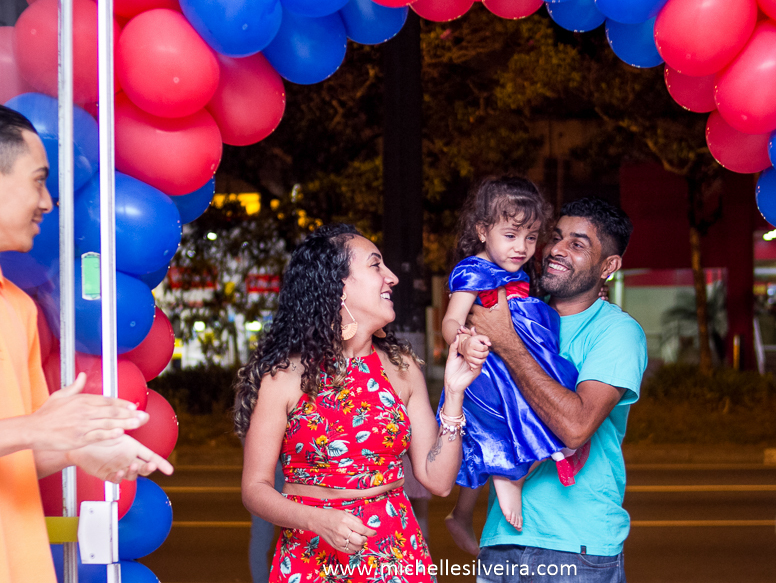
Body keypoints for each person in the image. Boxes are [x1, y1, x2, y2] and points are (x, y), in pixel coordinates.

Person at [235, 223, 481, 582]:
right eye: (376, 265)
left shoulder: (402, 368)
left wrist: (455, 393)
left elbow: (439, 481)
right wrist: (317, 519)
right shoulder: (286, 376)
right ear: (338, 286)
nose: (392, 278)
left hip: (395, 551)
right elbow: (254, 489)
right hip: (312, 557)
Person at [0, 105, 174, 583]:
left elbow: (20, 448)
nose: (49, 202)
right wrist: (36, 429)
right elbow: (24, 431)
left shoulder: (16, 307)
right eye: (38, 180)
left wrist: (76, 451)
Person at [468, 197, 647, 583]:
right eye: (556, 237)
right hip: (501, 540)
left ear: (609, 266)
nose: (556, 250)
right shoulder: (519, 313)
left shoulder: (616, 331)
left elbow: (576, 426)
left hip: (577, 548)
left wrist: (506, 342)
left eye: (578, 244)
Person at [439, 176, 583, 546]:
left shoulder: (519, 271)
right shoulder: (473, 270)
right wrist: (463, 341)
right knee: (516, 423)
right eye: (511, 235)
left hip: (516, 356)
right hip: (488, 362)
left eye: (531, 237)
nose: (522, 247)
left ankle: (462, 514)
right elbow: (451, 320)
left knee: (551, 405)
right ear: (483, 231)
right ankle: (509, 478)